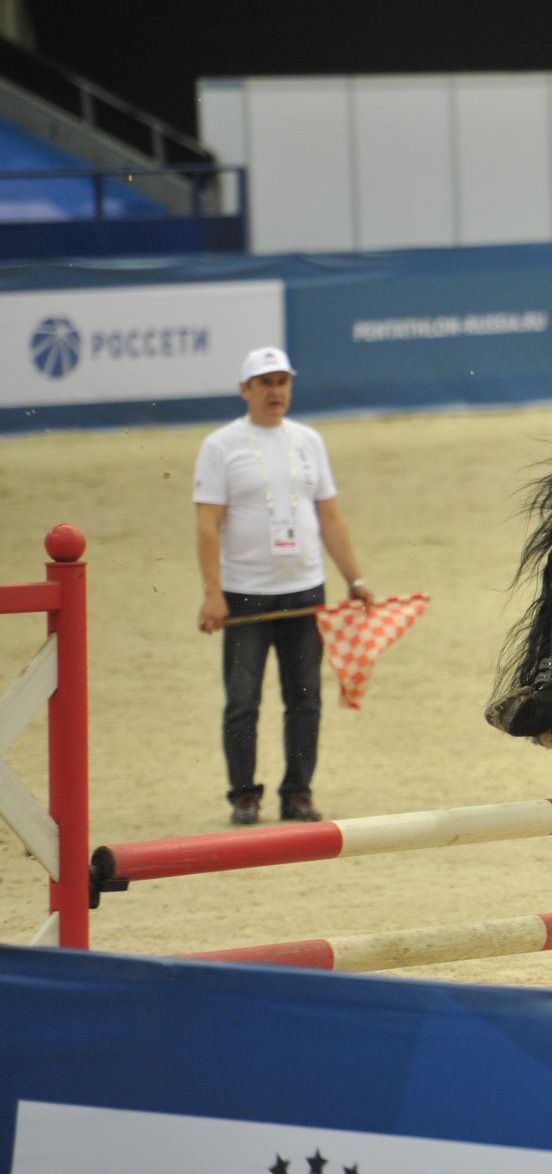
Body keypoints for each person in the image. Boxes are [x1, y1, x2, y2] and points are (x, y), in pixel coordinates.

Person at [194, 347, 373, 825]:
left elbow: (330, 516)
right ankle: (243, 795)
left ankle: (297, 793)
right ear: (245, 390)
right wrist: (214, 594)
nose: (275, 391)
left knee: (305, 699)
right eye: (265, 383)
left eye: (282, 382)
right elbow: (207, 524)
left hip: (305, 591)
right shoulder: (220, 446)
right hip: (245, 594)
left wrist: (353, 578)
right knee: (243, 701)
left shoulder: (308, 441)